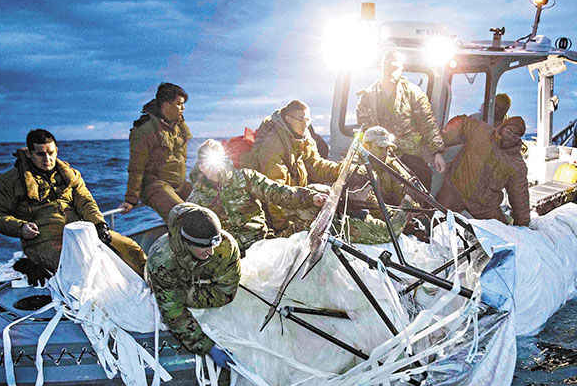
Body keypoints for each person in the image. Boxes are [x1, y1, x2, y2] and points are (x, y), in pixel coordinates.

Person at [0, 129, 147, 278]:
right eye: (40, 154)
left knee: (130, 248)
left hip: (81, 232)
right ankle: (30, 263)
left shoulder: (71, 175)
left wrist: (99, 225)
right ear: (29, 154)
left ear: (56, 150)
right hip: (42, 241)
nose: (47, 159)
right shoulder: (8, 182)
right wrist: (21, 228)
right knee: (77, 266)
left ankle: (155, 288)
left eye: (50, 153)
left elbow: (85, 201)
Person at [240, 100, 362, 236]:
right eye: (301, 120)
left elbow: (316, 166)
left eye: (308, 120)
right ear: (288, 119)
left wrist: (343, 171)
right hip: (274, 207)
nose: (305, 125)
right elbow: (274, 193)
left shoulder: (303, 137)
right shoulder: (272, 144)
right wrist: (284, 229)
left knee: (324, 193)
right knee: (311, 209)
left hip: (292, 197)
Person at [188, 140, 327, 254]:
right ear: (200, 166)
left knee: (311, 207)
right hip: (229, 257)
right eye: (208, 162)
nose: (216, 168)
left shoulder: (245, 177)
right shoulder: (195, 200)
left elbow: (276, 192)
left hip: (261, 244)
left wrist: (309, 197)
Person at [145, 203, 240, 366]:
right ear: (187, 242)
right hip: (171, 279)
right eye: (203, 246)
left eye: (213, 244)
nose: (210, 251)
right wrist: (208, 347)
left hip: (196, 277)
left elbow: (226, 292)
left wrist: (198, 286)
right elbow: (174, 313)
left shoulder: (226, 246)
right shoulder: (161, 261)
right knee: (170, 303)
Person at [356, 49, 446, 191]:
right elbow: (363, 130)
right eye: (388, 67)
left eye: (395, 68)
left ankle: (420, 212)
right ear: (382, 67)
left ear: (401, 69)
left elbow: (427, 123)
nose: (391, 71)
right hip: (379, 156)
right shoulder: (368, 96)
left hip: (408, 154)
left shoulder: (414, 93)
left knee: (422, 182)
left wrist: (437, 153)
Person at [436, 115, 530, 226]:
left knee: (503, 234)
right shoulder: (481, 131)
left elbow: (520, 196)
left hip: (484, 206)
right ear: (502, 127)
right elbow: (462, 121)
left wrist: (522, 225)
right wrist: (444, 138)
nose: (509, 137)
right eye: (508, 131)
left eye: (515, 136)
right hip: (455, 191)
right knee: (434, 219)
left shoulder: (516, 164)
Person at [120, 82, 193, 220]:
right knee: (185, 217)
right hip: (155, 186)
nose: (183, 108)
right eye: (179, 104)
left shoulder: (179, 125)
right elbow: (136, 167)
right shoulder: (145, 129)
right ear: (166, 105)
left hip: (179, 184)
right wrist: (131, 199)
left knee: (210, 204)